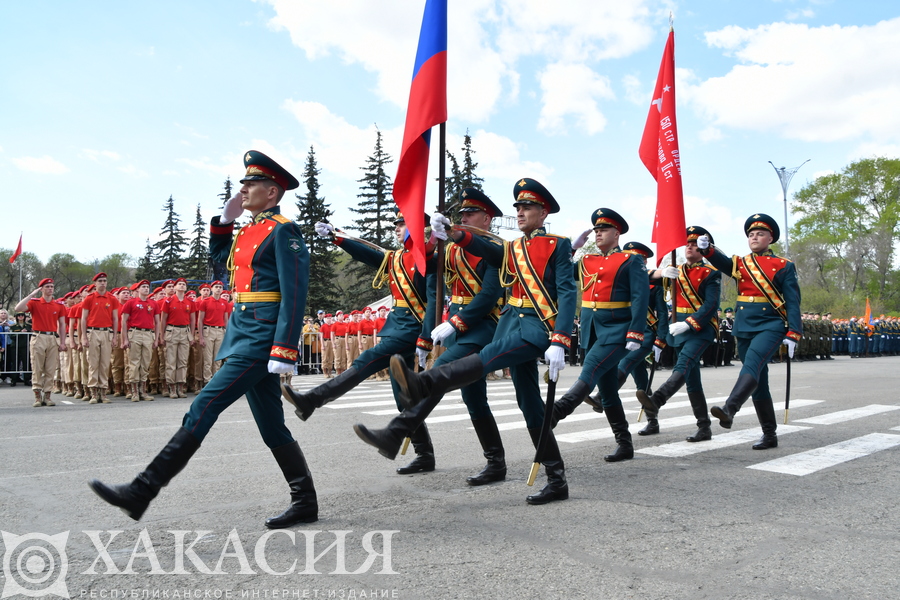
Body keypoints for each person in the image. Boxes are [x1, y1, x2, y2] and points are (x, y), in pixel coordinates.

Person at [90, 149, 318, 528]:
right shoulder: (249, 232)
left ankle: (142, 490)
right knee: (272, 426)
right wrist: (223, 224)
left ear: (272, 193)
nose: (243, 190)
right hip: (244, 332)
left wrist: (285, 348)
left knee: (204, 405)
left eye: (252, 184)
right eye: (243, 183)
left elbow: (296, 293)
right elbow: (220, 266)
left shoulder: (284, 231)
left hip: (262, 338)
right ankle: (305, 501)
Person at [353, 178, 576, 505]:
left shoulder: (558, 244)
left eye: (527, 207)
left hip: (536, 328)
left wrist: (560, 338)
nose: (520, 212)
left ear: (544, 212)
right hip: (510, 325)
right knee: (529, 404)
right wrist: (455, 233)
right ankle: (556, 479)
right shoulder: (510, 248)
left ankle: (421, 385)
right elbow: (483, 248)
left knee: (483, 359)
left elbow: (568, 292)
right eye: (517, 207)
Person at [357, 188, 508, 486]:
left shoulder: (495, 248)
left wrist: (456, 321)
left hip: (482, 328)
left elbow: (490, 294)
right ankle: (495, 461)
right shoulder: (453, 249)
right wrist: (431, 240)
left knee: (437, 377)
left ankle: (394, 433)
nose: (463, 218)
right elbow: (425, 264)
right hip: (457, 330)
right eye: (461, 214)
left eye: (470, 214)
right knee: (474, 399)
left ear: (487, 219)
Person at [281, 211, 437, 474]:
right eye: (397, 224)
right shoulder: (395, 258)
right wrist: (336, 237)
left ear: (418, 228)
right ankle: (425, 454)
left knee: (366, 360)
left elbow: (433, 299)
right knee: (403, 396)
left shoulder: (427, 259)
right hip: (396, 327)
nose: (397, 228)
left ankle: (312, 400)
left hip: (411, 328)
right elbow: (367, 255)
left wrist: (426, 337)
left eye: (403, 224)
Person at [550, 209, 649, 462]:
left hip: (617, 330)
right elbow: (559, 272)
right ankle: (624, 444)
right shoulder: (587, 261)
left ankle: (558, 411)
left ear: (617, 233)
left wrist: (636, 332)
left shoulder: (630, 259)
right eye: (596, 230)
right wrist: (571, 249)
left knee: (591, 369)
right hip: (592, 329)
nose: (598, 233)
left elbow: (640, 297)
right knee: (607, 390)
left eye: (603, 229)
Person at [699, 213, 802, 450]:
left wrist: (794, 331)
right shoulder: (741, 262)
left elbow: (793, 301)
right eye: (751, 235)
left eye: (760, 234)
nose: (755, 238)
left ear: (770, 238)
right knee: (759, 380)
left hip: (771, 324)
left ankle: (730, 408)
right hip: (744, 325)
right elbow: (723, 263)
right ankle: (769, 434)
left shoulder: (784, 266)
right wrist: (708, 251)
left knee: (751, 366)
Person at [636, 226, 721, 442]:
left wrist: (690, 324)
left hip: (700, 329)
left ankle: (657, 399)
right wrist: (661, 273)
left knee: (682, 365)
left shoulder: (711, 273)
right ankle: (704, 427)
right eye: (688, 243)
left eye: (694, 244)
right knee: (692, 380)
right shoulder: (676, 270)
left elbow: (711, 305)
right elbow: (640, 278)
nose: (690, 247)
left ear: (703, 247)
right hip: (678, 329)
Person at [14, 279, 66, 406]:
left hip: (52, 337)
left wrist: (62, 342)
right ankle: (37, 395)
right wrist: (31, 295)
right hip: (38, 336)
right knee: (37, 367)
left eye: (52, 286)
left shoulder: (58, 305)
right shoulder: (34, 303)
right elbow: (18, 308)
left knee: (50, 368)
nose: (50, 289)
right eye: (47, 286)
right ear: (41, 289)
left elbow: (63, 324)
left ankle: (47, 395)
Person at [81, 273, 120, 403]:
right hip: (93, 331)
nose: (103, 283)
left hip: (106, 332)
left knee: (104, 363)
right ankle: (93, 392)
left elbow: (115, 319)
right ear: (95, 283)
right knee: (93, 363)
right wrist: (84, 337)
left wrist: (114, 336)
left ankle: (103, 392)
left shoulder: (112, 299)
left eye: (104, 281)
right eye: (100, 281)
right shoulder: (89, 298)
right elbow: (84, 319)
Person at [120, 280, 159, 401]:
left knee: (146, 363)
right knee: (134, 363)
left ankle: (143, 390)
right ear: (137, 289)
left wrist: (156, 338)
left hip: (148, 334)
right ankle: (134, 391)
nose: (146, 289)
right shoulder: (131, 303)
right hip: (135, 333)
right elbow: (124, 321)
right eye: (143, 287)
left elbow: (157, 322)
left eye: (147, 287)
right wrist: (125, 339)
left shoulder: (153, 303)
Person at [196, 280, 230, 386]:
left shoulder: (224, 302)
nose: (218, 289)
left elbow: (226, 320)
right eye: (216, 287)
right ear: (212, 289)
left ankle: (216, 380)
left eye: (220, 287)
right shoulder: (205, 301)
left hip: (220, 331)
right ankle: (207, 381)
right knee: (208, 358)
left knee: (218, 358)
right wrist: (201, 336)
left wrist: (227, 335)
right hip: (208, 330)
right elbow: (200, 320)